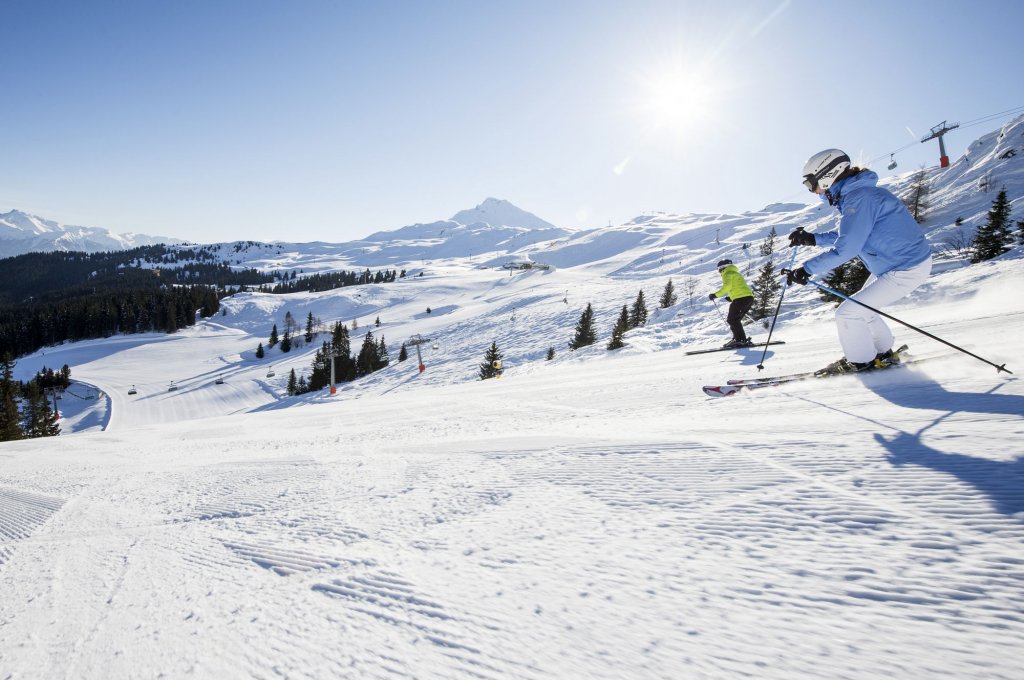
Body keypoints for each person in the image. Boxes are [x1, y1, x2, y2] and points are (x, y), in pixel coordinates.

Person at [786, 148, 932, 375]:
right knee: (865, 310)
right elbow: (854, 234)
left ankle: (860, 361)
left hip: (904, 268)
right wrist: (812, 239)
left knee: (848, 313)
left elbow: (847, 248)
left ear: (826, 174)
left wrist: (806, 269)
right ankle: (883, 353)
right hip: (897, 264)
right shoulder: (858, 195)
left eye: (810, 184)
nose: (813, 191)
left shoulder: (859, 198)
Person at [708, 259, 755, 349]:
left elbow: (727, 287)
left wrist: (715, 295)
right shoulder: (735, 273)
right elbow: (738, 287)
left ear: (723, 267)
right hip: (747, 298)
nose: (719, 271)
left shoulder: (727, 274)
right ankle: (739, 339)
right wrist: (732, 297)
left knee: (732, 320)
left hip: (741, 299)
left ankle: (740, 340)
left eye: (719, 269)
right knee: (735, 320)